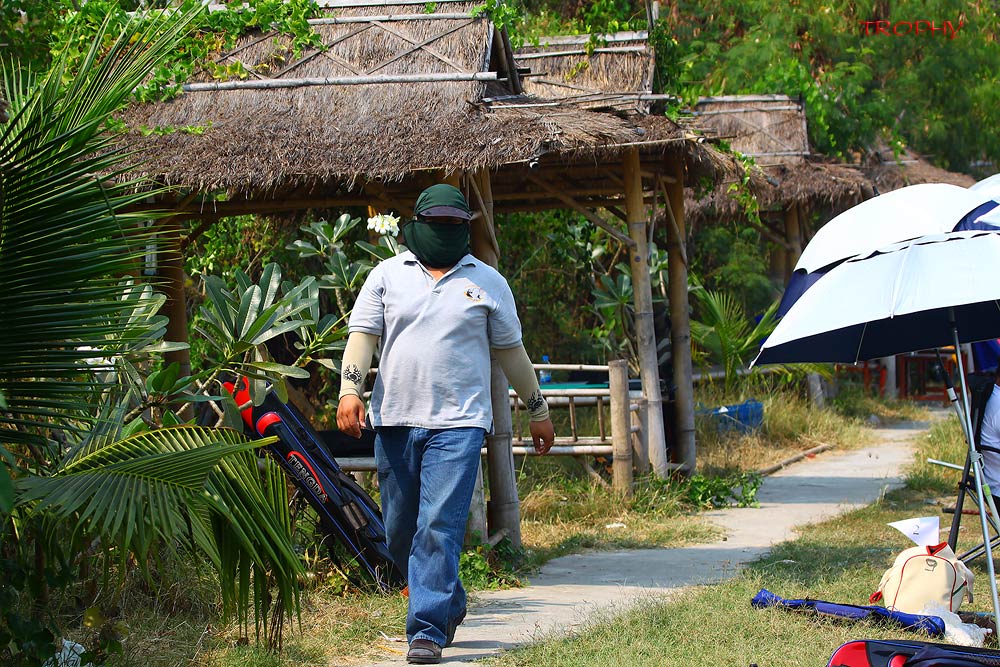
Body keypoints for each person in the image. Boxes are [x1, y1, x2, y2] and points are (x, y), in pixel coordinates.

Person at [336, 184, 555, 664]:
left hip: (460, 424)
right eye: (436, 223)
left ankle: (427, 630)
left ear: (466, 228)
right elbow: (362, 337)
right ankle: (449, 599)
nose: (445, 231)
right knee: (398, 533)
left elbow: (511, 354)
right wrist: (349, 390)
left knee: (438, 525)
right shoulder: (387, 275)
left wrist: (537, 410)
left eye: (454, 225)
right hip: (394, 419)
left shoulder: (488, 281)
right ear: (416, 223)